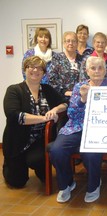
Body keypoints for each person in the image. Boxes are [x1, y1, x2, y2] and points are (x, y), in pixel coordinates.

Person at [49, 56, 107, 203]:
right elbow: (71, 114)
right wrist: (82, 99)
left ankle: (94, 185)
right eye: (93, 68)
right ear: (87, 71)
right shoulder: (79, 87)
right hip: (76, 127)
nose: (97, 71)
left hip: (101, 129)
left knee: (90, 153)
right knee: (56, 150)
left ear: (105, 70)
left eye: (100, 68)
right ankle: (67, 184)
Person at [2, 56, 68, 188]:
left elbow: (65, 103)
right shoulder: (14, 90)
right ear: (25, 69)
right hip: (17, 141)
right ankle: (10, 165)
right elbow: (15, 116)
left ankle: (41, 169)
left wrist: (55, 109)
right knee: (17, 182)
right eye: (31, 67)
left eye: (39, 68)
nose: (35, 70)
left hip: (39, 140)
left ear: (43, 73)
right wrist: (44, 118)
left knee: (39, 160)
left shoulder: (47, 89)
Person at [49, 31, 82, 100]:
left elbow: (86, 78)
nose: (71, 43)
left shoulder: (82, 59)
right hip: (61, 97)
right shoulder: (57, 58)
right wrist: (64, 91)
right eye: (68, 41)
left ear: (77, 43)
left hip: (80, 97)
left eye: (73, 41)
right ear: (63, 43)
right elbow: (52, 78)